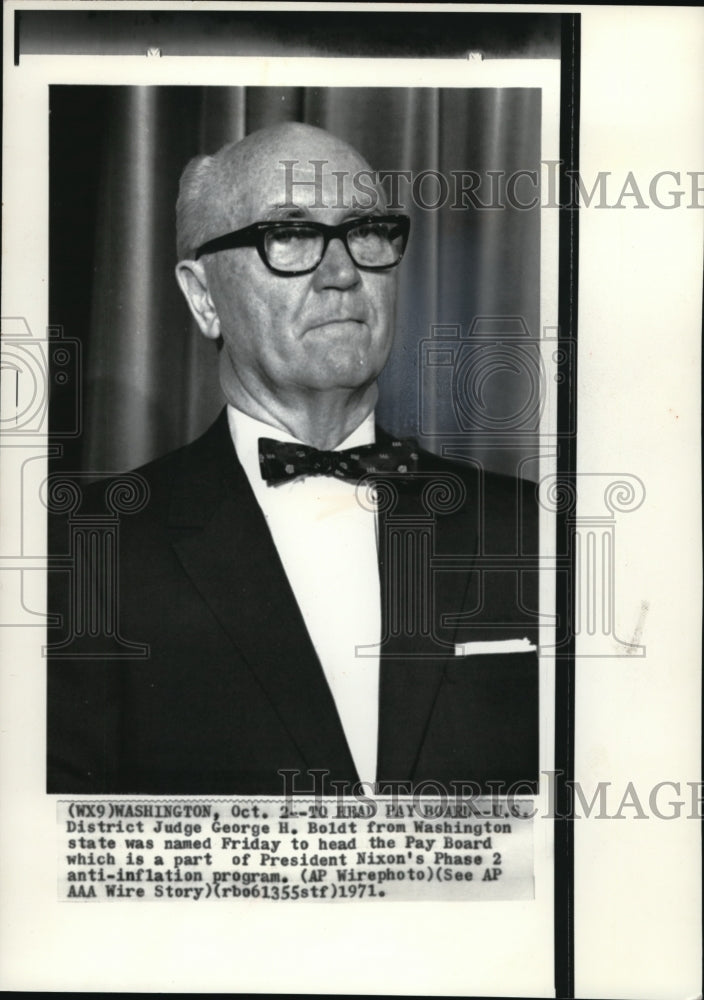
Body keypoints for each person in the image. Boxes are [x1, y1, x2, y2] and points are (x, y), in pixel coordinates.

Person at [47, 122, 538, 796]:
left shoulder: (528, 531)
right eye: (290, 236)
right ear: (202, 296)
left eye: (366, 231)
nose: (341, 274)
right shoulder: (83, 556)